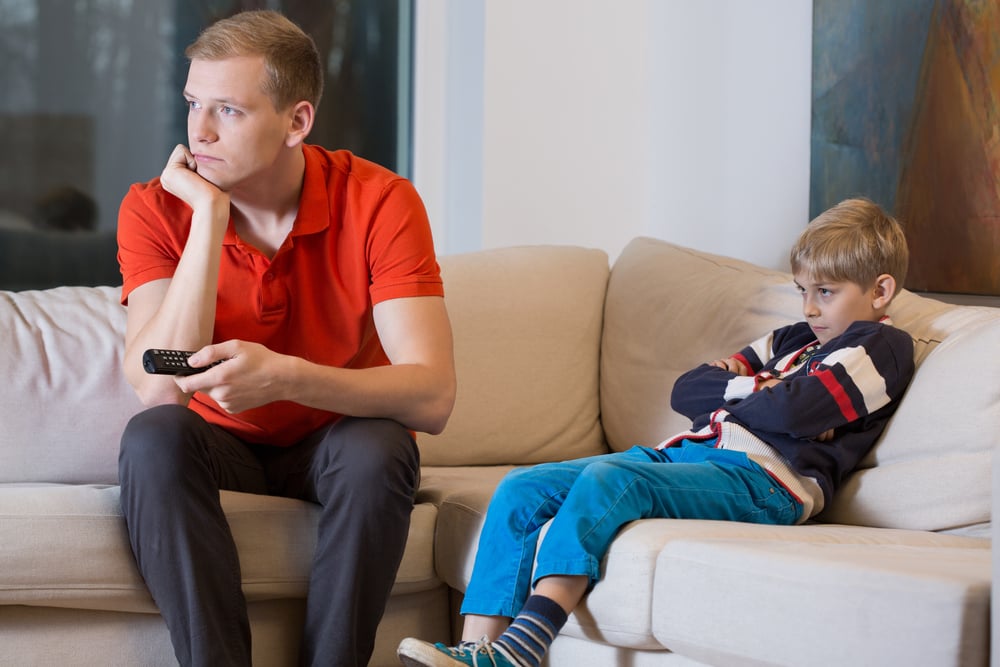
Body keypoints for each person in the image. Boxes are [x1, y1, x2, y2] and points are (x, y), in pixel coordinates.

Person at [396, 198, 914, 667]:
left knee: (609, 477)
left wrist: (756, 393)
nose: (808, 308)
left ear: (880, 289)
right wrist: (768, 389)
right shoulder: (792, 339)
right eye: (802, 290)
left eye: (825, 292)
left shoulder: (881, 346)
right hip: (694, 456)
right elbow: (689, 389)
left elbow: (792, 412)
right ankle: (474, 653)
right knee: (522, 487)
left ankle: (522, 649)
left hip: (767, 480)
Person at [116, 10, 455, 667]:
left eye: (229, 111)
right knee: (152, 438)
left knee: (379, 445)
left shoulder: (381, 201)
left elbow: (434, 396)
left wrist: (287, 376)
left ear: (297, 122)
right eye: (192, 104)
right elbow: (160, 386)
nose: (200, 131)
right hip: (219, 441)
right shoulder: (157, 207)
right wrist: (209, 216)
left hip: (336, 437)